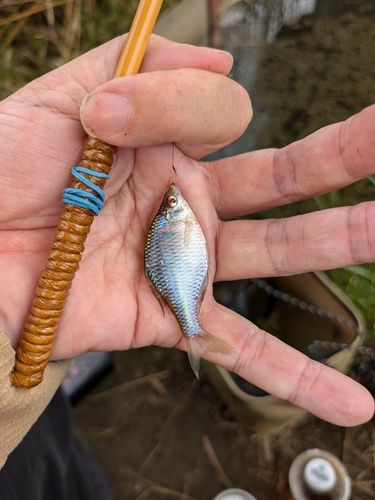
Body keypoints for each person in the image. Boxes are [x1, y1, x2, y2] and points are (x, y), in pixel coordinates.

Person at [0, 34, 374, 494]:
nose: (174, 199)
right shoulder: (175, 218)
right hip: (24, 430)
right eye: (173, 200)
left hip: (24, 427)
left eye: (171, 200)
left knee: (67, 475)